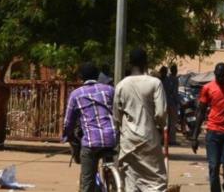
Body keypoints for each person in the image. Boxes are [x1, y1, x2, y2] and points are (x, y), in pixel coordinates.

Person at [114, 48, 168, 191]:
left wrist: (123, 130)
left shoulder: (121, 85)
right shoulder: (155, 83)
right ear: (146, 63)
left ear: (130, 63)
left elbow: (116, 116)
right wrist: (160, 128)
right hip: (149, 137)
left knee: (131, 181)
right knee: (156, 181)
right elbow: (161, 113)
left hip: (129, 141)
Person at [62, 62, 118, 192]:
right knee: (110, 158)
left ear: (81, 77)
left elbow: (68, 122)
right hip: (112, 138)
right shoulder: (109, 90)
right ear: (98, 75)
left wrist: (66, 136)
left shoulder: (76, 94)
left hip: (91, 142)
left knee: (87, 182)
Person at [193, 63, 224, 192]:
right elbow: (201, 112)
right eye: (218, 76)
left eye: (223, 76)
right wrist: (194, 137)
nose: (220, 78)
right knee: (213, 166)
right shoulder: (207, 88)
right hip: (213, 132)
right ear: (215, 74)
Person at [159, 65, 180, 145]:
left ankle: (163, 139)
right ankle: (172, 140)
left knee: (164, 122)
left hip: (163, 103)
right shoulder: (174, 79)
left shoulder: (164, 80)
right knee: (173, 122)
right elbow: (175, 92)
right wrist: (178, 102)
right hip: (172, 103)